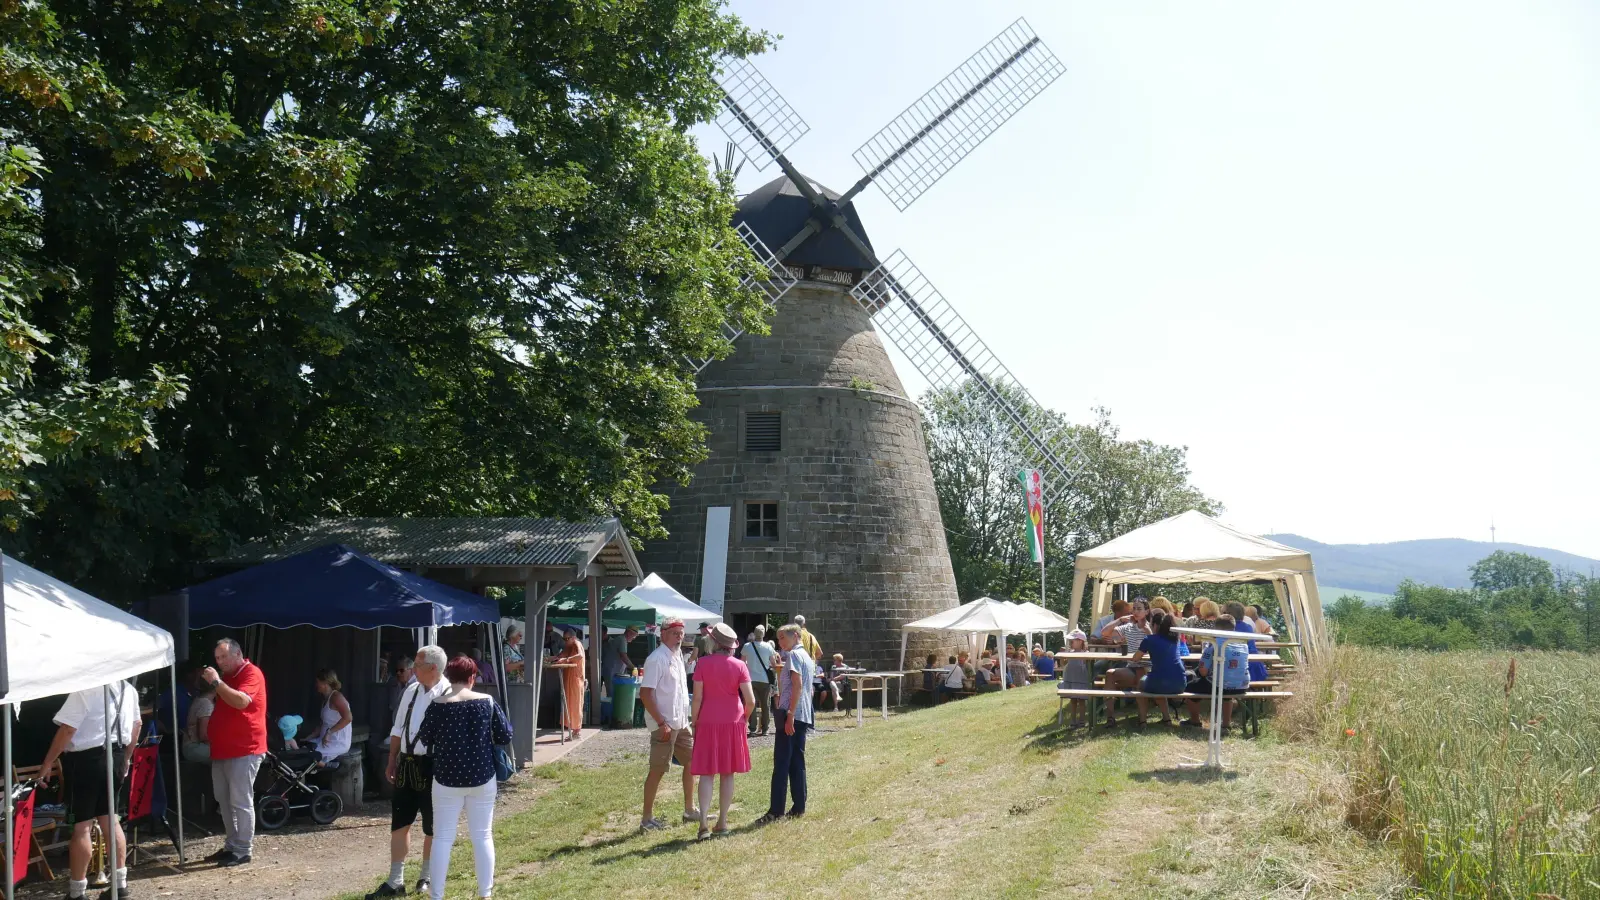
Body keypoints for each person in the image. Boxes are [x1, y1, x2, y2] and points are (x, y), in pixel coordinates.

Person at [414, 655, 512, 900]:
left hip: (446, 777)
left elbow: (425, 738)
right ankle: (485, 893)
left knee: (442, 838)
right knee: (483, 835)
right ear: (472, 677)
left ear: (448, 676)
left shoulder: (437, 704)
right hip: (482, 776)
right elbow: (505, 735)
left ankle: (437, 895)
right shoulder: (487, 702)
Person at [39, 679, 141, 900]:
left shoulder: (86, 688)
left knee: (82, 826)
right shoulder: (129, 689)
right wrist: (126, 757)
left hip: (86, 761)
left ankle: (77, 892)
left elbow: (68, 728)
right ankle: (120, 886)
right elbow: (137, 725)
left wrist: (47, 763)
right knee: (111, 820)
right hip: (116, 756)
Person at [366, 645, 450, 900]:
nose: (412, 669)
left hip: (434, 766)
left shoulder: (448, 693)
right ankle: (395, 880)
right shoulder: (411, 690)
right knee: (400, 822)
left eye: (417, 665)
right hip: (408, 763)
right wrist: (392, 759)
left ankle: (426, 876)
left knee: (432, 826)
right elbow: (397, 728)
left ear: (433, 668)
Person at [199, 637, 268, 867]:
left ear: (238, 654)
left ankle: (243, 849)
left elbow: (241, 702)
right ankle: (231, 846)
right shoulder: (228, 677)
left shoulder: (251, 673)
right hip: (223, 750)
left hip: (245, 748)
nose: (220, 662)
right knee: (224, 800)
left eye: (224, 657)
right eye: (217, 658)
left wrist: (217, 682)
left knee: (240, 801)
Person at [690, 623, 755, 838]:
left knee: (706, 773)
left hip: (707, 720)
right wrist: (744, 718)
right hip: (733, 721)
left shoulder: (702, 663)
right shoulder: (740, 665)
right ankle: (723, 822)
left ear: (713, 642)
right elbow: (751, 701)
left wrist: (694, 721)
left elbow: (697, 698)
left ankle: (703, 824)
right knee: (728, 773)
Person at [639, 618, 698, 831]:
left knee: (693, 762)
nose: (679, 637)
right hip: (664, 723)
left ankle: (690, 810)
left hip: (680, 722)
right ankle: (646, 819)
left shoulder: (678, 656)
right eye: (674, 633)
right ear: (663, 634)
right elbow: (645, 694)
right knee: (658, 770)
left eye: (681, 633)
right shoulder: (656, 659)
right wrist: (661, 722)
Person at [759, 623, 814, 823]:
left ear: (796, 636)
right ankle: (799, 806)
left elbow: (797, 685)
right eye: (779, 638)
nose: (780, 642)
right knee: (797, 762)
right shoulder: (806, 656)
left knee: (782, 763)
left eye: (783, 637)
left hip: (793, 715)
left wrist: (790, 713)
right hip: (802, 714)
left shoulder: (794, 656)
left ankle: (776, 811)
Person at [1184, 614, 1251, 728]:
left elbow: (1203, 671)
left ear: (1215, 628)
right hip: (1242, 685)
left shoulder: (1214, 644)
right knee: (1226, 691)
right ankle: (1226, 724)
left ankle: (1194, 721)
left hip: (1221, 686)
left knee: (1190, 687)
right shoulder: (1243, 644)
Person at [1130, 611, 1186, 726]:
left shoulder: (1149, 639)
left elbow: (1135, 658)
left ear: (1155, 625)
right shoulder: (1175, 639)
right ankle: (1166, 719)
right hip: (1180, 683)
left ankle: (1142, 720)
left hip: (1159, 682)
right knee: (1157, 680)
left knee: (1141, 683)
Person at [304, 668, 353, 763]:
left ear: (325, 683)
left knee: (310, 756)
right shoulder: (325, 699)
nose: (316, 685)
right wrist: (311, 736)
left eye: (318, 682)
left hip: (337, 743)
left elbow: (348, 718)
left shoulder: (336, 697)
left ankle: (328, 766)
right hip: (324, 740)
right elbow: (323, 723)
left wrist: (329, 732)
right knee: (302, 749)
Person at [741, 628, 777, 736]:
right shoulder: (768, 646)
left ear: (754, 633)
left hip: (750, 679)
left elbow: (742, 663)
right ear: (763, 634)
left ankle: (752, 729)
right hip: (765, 679)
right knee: (766, 705)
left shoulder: (747, 646)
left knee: (751, 703)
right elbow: (773, 663)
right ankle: (765, 729)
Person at [553, 628, 586, 738]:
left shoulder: (577, 643)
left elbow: (580, 655)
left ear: (573, 637)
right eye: (564, 639)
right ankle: (573, 730)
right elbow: (561, 655)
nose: (565, 641)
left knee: (576, 704)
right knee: (569, 704)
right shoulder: (568, 646)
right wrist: (553, 658)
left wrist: (566, 660)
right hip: (569, 679)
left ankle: (577, 731)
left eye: (567, 639)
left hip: (576, 679)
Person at [1224, 601, 1268, 683]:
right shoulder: (1248, 627)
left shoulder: (1226, 628)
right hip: (1254, 665)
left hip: (1236, 666)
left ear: (1227, 614)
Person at [1058, 630, 1094, 727]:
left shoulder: (1086, 653)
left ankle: (1082, 720)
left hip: (1081, 679)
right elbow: (1064, 664)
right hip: (1071, 679)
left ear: (1080, 641)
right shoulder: (1070, 652)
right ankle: (1073, 720)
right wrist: (1062, 658)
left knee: (1081, 701)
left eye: (1072, 640)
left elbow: (1088, 665)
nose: (1070, 642)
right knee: (1073, 700)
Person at [183, 672, 216, 763]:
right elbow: (204, 735)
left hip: (191, 746)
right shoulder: (206, 704)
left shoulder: (199, 699)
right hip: (195, 747)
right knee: (229, 756)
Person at [603, 625, 640, 692]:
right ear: (629, 633)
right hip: (612, 672)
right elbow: (623, 656)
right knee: (613, 693)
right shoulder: (622, 640)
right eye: (634, 636)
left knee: (614, 693)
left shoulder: (621, 639)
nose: (634, 638)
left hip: (613, 672)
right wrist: (633, 668)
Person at [387, 655, 416, 726]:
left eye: (401, 670)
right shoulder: (400, 685)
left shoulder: (416, 687)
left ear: (412, 671)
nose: (398, 673)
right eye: (397, 671)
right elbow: (393, 706)